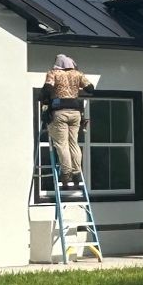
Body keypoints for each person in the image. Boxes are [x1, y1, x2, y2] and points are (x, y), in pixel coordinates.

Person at [43, 54, 92, 194]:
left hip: (60, 112)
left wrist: (44, 98)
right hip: (76, 113)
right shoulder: (78, 74)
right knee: (73, 143)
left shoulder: (54, 73)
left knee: (62, 144)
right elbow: (90, 88)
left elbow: (47, 88)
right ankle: (77, 172)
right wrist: (74, 90)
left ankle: (66, 173)